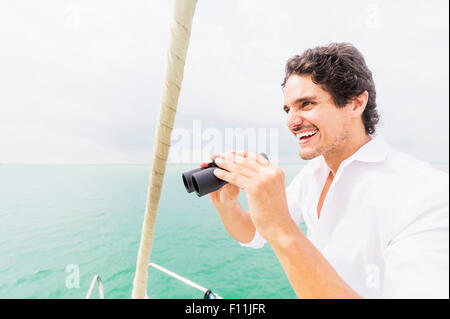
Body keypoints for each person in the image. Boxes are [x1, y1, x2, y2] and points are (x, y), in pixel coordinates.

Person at [201, 43, 449, 299]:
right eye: (288, 110)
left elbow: (277, 229)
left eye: (306, 104)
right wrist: (227, 204)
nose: (291, 122)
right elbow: (253, 233)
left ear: (355, 103)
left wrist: (282, 229)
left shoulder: (427, 194)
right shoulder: (314, 174)